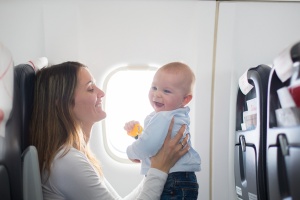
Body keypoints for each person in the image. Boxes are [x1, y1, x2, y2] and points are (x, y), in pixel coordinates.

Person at [29, 61, 190, 200]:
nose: (101, 93)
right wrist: (159, 168)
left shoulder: (77, 154)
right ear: (62, 103)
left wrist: (156, 163)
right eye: (91, 88)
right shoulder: (66, 161)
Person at [124, 62, 201, 200]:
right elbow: (158, 141)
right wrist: (138, 134)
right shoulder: (174, 114)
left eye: (166, 91)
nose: (157, 94)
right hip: (181, 180)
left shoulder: (164, 116)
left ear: (185, 99)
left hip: (172, 180)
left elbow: (148, 145)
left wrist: (130, 153)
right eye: (154, 87)